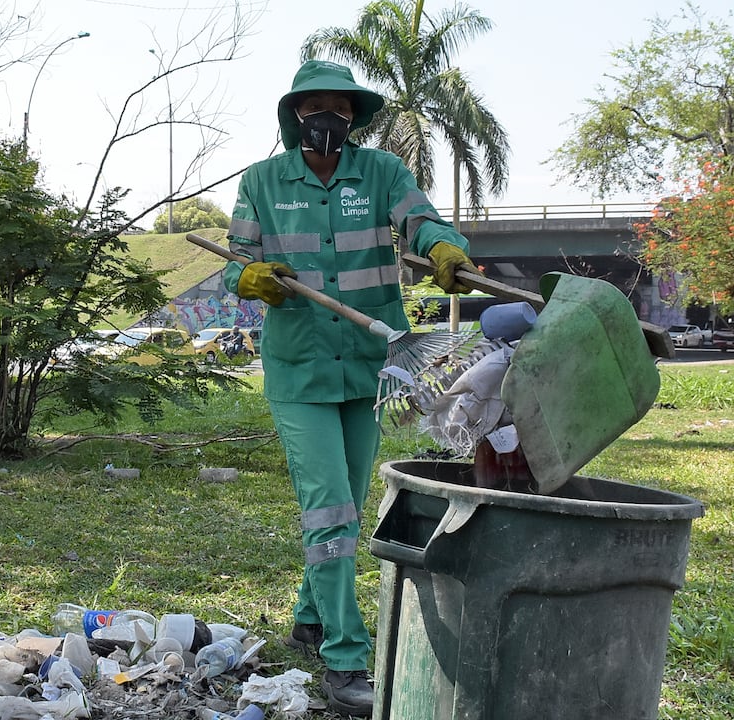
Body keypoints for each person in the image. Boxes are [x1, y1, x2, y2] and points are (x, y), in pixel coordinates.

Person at [223, 59, 480, 717]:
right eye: (314, 111)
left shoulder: (384, 174)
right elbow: (237, 264)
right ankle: (344, 656)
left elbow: (422, 223)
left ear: (354, 118)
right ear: (295, 118)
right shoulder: (261, 183)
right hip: (300, 370)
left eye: (338, 110)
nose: (326, 122)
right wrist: (252, 280)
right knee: (329, 506)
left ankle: (310, 617)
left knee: (349, 506)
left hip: (371, 366)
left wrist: (447, 249)